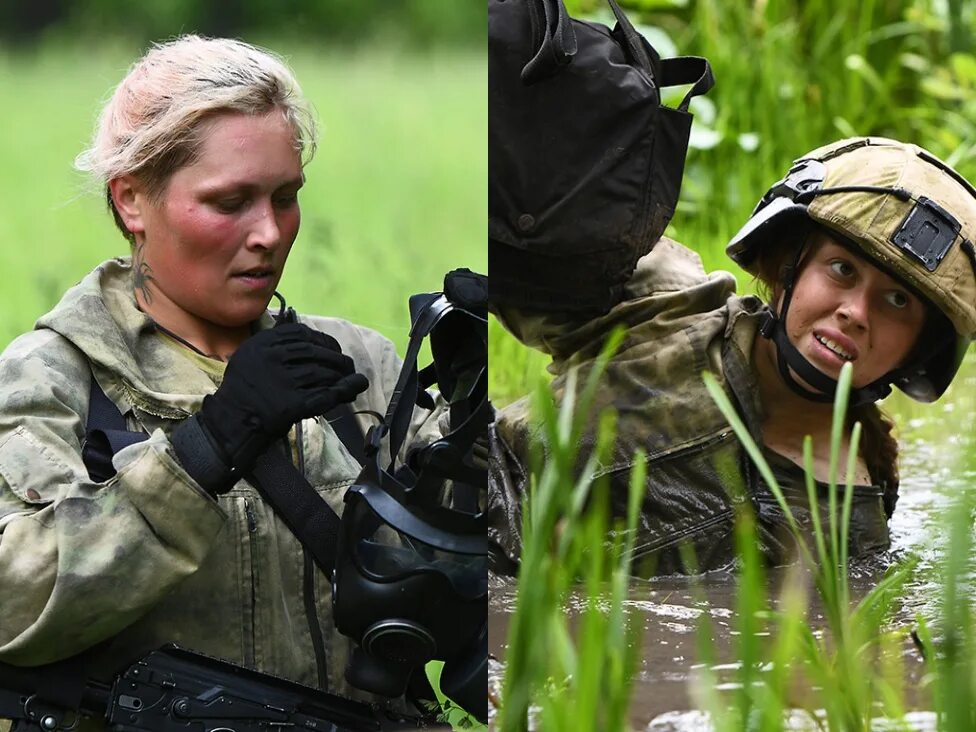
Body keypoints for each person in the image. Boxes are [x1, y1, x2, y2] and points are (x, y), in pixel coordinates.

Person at [0, 34, 455, 715]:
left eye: (285, 196)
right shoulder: (50, 381)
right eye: (229, 201)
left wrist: (474, 420)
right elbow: (14, 605)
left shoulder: (355, 366)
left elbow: (476, 583)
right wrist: (204, 451)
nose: (270, 233)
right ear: (131, 201)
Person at [488, 136, 976, 575]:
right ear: (788, 265)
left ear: (920, 348)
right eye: (842, 269)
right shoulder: (662, 309)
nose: (855, 312)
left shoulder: (857, 514)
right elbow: (521, 209)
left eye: (897, 302)